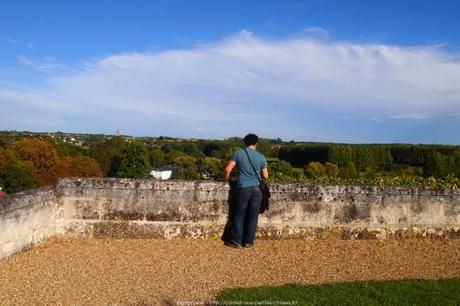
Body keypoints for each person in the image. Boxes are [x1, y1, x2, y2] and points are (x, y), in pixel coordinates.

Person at [224, 133, 269, 248]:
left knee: (239, 215)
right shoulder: (261, 156)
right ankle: (248, 242)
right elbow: (266, 175)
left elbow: (228, 169)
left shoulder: (238, 153)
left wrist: (226, 180)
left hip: (242, 188)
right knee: (253, 216)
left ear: (245, 142)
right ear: (256, 143)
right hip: (257, 190)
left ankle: (237, 242)